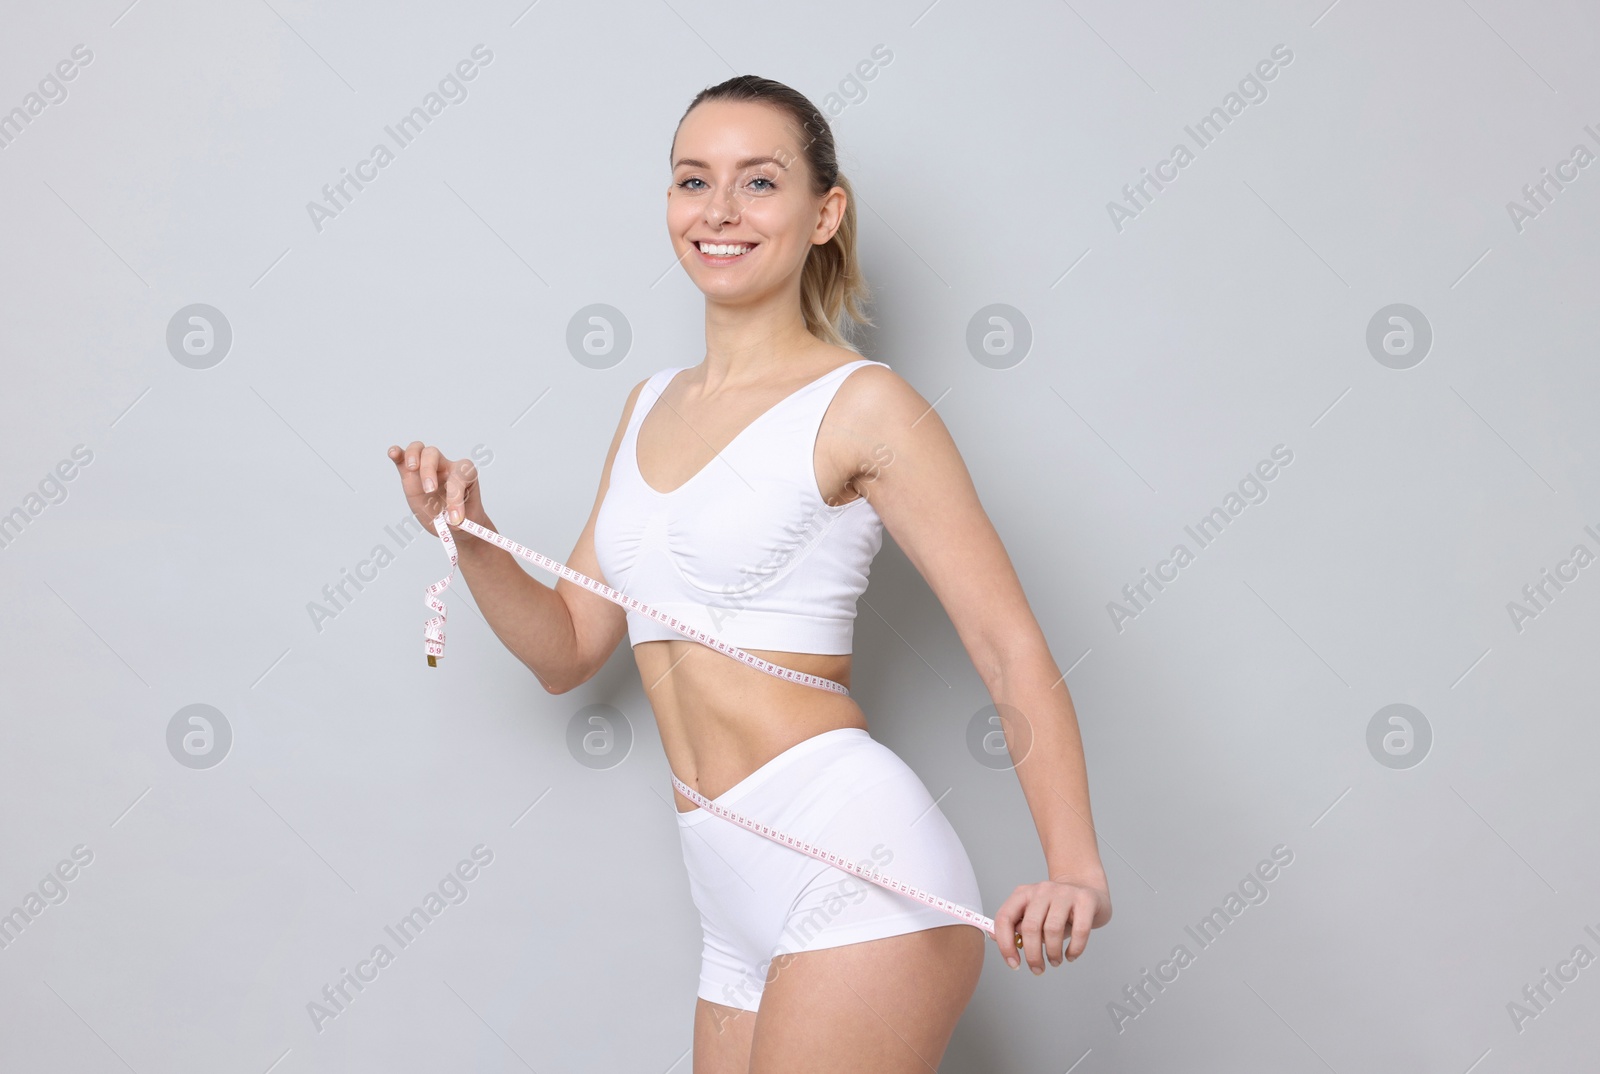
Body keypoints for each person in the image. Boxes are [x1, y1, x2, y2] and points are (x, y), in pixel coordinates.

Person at [388, 74, 1110, 1073]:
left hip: (855, 862)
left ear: (824, 213)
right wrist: (469, 534)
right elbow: (569, 650)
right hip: (724, 886)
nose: (718, 211)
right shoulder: (647, 406)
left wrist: (1073, 867)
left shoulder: (862, 406)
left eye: (758, 183)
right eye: (693, 180)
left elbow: (1005, 644)